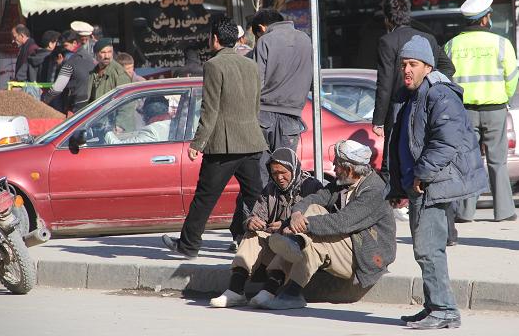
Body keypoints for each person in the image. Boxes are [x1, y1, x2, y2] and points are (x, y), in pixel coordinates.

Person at [387, 36, 487, 329]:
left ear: (427, 66)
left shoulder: (439, 95)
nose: (406, 69)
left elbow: (447, 141)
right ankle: (435, 306)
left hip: (433, 183)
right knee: (425, 247)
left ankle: (444, 309)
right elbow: (401, 143)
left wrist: (422, 173)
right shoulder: (409, 95)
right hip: (419, 184)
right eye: (403, 64)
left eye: (413, 64)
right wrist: (397, 186)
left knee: (429, 248)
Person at [161, 17, 267, 259]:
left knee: (205, 198)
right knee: (256, 196)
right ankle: (262, 242)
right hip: (251, 140)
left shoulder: (214, 65)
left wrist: (198, 143)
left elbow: (210, 109)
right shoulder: (250, 65)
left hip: (224, 146)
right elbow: (255, 105)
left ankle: (188, 246)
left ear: (215, 39)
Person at [256, 139, 397, 310]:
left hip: (367, 255)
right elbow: (314, 198)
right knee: (314, 209)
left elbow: (343, 222)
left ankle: (291, 291)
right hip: (348, 244)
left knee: (314, 241)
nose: (334, 167)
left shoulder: (375, 190)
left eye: (337, 164)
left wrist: (303, 226)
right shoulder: (344, 183)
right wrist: (296, 214)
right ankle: (295, 248)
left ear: (349, 169)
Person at [210, 147, 323, 308]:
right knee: (252, 235)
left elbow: (316, 220)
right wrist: (251, 222)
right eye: (275, 173)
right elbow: (256, 215)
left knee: (288, 242)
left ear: (294, 168)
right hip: (273, 245)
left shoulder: (311, 187)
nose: (280, 177)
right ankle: (235, 290)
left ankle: (269, 291)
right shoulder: (270, 189)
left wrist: (285, 224)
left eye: (283, 172)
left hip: (301, 251)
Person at [444, 0, 519, 223]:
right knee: (498, 161)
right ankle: (504, 211)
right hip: (495, 108)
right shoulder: (501, 43)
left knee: (468, 161)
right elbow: (512, 77)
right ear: (485, 18)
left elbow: (446, 81)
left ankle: (465, 212)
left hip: (463, 112)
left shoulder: (451, 45)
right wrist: (504, 97)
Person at [372, 0, 456, 176]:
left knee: (393, 161)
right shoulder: (428, 39)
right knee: (421, 153)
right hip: (425, 106)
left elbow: (384, 84)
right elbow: (449, 67)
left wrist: (378, 120)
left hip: (398, 111)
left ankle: (395, 200)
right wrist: (429, 85)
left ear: (387, 19)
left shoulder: (387, 41)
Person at [251, 8, 312, 185]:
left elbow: (257, 82)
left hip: (263, 114)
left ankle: (263, 212)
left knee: (262, 172)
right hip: (292, 117)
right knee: (286, 171)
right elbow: (315, 78)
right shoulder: (305, 40)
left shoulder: (265, 41)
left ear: (261, 28)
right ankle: (286, 210)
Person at [42, 30, 96, 113]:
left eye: (66, 45)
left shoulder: (70, 63)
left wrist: (43, 101)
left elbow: (57, 88)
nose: (64, 49)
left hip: (78, 102)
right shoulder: (87, 57)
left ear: (74, 43)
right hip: (92, 101)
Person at [104, 96, 171, 145]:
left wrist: (107, 131)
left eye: (144, 116)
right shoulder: (172, 124)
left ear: (148, 116)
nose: (144, 119)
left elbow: (119, 146)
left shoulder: (152, 131)